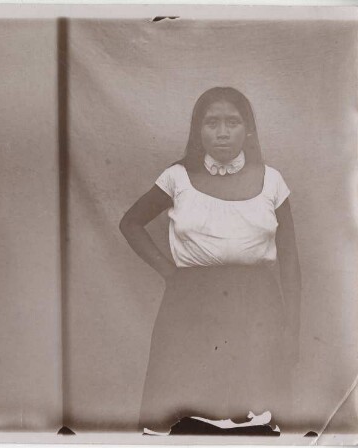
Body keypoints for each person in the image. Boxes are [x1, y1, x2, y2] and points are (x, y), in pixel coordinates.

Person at [120, 87, 301, 432]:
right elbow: (130, 223)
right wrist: (170, 273)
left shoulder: (272, 181)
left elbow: (291, 263)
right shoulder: (177, 178)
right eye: (211, 123)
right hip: (189, 309)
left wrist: (292, 330)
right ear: (197, 130)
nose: (221, 132)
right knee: (184, 413)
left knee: (254, 419)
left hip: (257, 309)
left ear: (248, 130)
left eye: (232, 122)